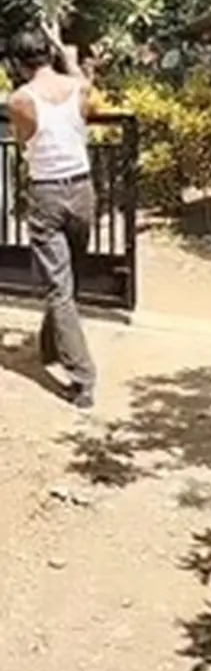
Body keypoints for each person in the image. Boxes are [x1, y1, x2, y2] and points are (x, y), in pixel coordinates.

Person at [7, 28, 98, 407]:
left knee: (59, 288)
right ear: (50, 54)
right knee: (67, 281)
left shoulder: (20, 100)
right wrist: (66, 52)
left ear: (17, 63)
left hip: (46, 192)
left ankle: (83, 378)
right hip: (82, 191)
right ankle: (50, 347)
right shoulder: (80, 87)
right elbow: (83, 85)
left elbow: (25, 140)